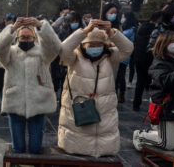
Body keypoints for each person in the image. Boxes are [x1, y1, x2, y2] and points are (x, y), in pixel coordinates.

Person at [58, 19, 133, 157]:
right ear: (83, 44)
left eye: (99, 44)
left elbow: (128, 48)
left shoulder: (109, 56)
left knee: (103, 141)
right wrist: (84, 31)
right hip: (78, 111)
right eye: (91, 44)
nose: (95, 47)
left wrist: (111, 32)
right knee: (77, 148)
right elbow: (63, 49)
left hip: (104, 113)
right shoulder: (74, 57)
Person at [0, 17, 61, 154]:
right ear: (17, 37)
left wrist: (40, 26)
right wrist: (12, 28)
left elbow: (55, 47)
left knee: (36, 148)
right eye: (22, 37)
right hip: (15, 102)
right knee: (18, 148)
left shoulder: (43, 53)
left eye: (29, 37)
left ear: (34, 37)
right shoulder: (10, 53)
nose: (25, 39)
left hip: (38, 103)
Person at [133, 32, 174, 151]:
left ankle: (158, 134)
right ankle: (141, 135)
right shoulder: (158, 63)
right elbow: (166, 81)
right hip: (167, 108)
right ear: (163, 44)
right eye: (172, 41)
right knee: (168, 144)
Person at [133, 11, 162, 111]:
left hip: (138, 58)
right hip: (148, 59)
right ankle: (152, 105)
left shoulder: (142, 27)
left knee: (140, 82)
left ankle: (136, 104)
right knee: (149, 82)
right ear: (158, 19)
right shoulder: (154, 29)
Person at [115, 12, 138, 103]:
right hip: (119, 54)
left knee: (120, 76)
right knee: (117, 76)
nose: (122, 18)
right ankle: (116, 93)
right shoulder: (127, 28)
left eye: (123, 16)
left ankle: (121, 95)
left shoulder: (131, 30)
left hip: (124, 56)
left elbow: (120, 36)